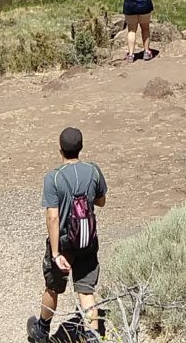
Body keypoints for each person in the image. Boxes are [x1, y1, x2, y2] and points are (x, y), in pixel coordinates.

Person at [38, 125, 108, 340]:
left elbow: (53, 216)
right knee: (85, 290)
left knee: (53, 287)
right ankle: (92, 335)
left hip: (65, 243)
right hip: (87, 240)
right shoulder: (93, 170)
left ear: (60, 150)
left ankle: (42, 330)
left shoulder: (54, 178)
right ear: (81, 148)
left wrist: (57, 253)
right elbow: (101, 201)